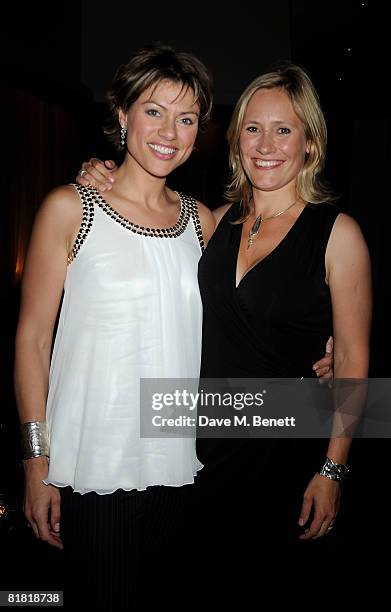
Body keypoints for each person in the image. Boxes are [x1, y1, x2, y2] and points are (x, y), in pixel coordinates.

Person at [77, 61, 370, 590]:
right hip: (200, 449)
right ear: (236, 143)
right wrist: (98, 173)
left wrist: (332, 471)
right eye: (253, 129)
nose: (266, 144)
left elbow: (354, 362)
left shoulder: (337, 234)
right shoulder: (213, 222)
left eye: (284, 130)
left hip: (284, 453)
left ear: (310, 142)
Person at [14, 43, 216, 609]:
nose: (169, 132)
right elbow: (31, 339)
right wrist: (36, 461)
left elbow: (260, 304)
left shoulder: (201, 222)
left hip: (180, 461)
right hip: (97, 463)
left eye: (187, 118)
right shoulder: (71, 209)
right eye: (153, 111)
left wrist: (322, 350)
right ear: (122, 114)